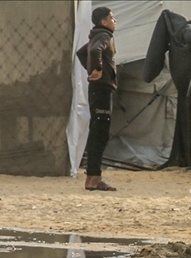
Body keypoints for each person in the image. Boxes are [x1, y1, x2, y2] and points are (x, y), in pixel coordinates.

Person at [77, 7, 119, 191]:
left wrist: (91, 70)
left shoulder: (96, 35)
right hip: (101, 89)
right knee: (100, 134)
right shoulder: (104, 36)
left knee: (97, 132)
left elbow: (81, 53)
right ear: (104, 22)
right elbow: (94, 51)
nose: (114, 20)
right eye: (111, 17)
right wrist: (98, 70)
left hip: (98, 89)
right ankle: (94, 179)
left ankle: (93, 178)